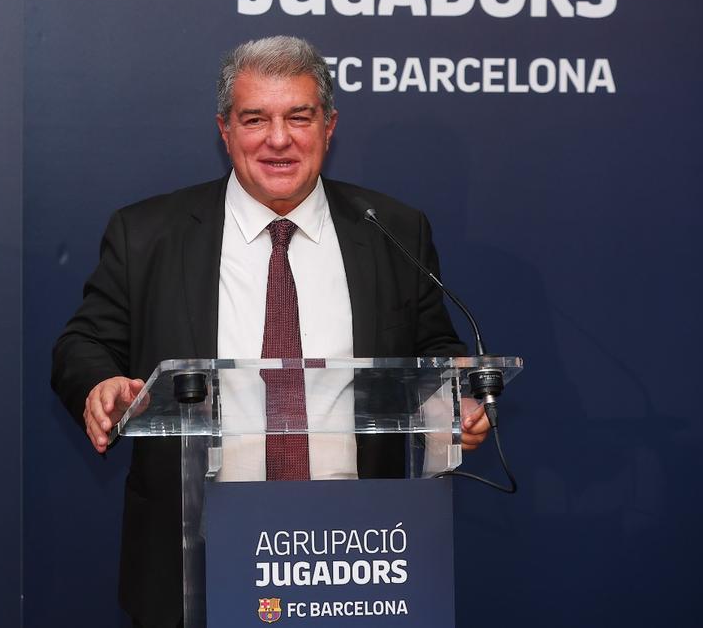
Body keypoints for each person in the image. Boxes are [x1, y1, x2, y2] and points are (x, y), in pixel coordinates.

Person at [51, 35, 490, 628]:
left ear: (329, 127)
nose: (278, 140)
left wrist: (457, 401)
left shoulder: (392, 230)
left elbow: (434, 351)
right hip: (196, 545)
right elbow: (83, 344)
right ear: (224, 130)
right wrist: (99, 384)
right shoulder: (147, 232)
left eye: (298, 118)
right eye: (255, 119)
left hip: (358, 553)